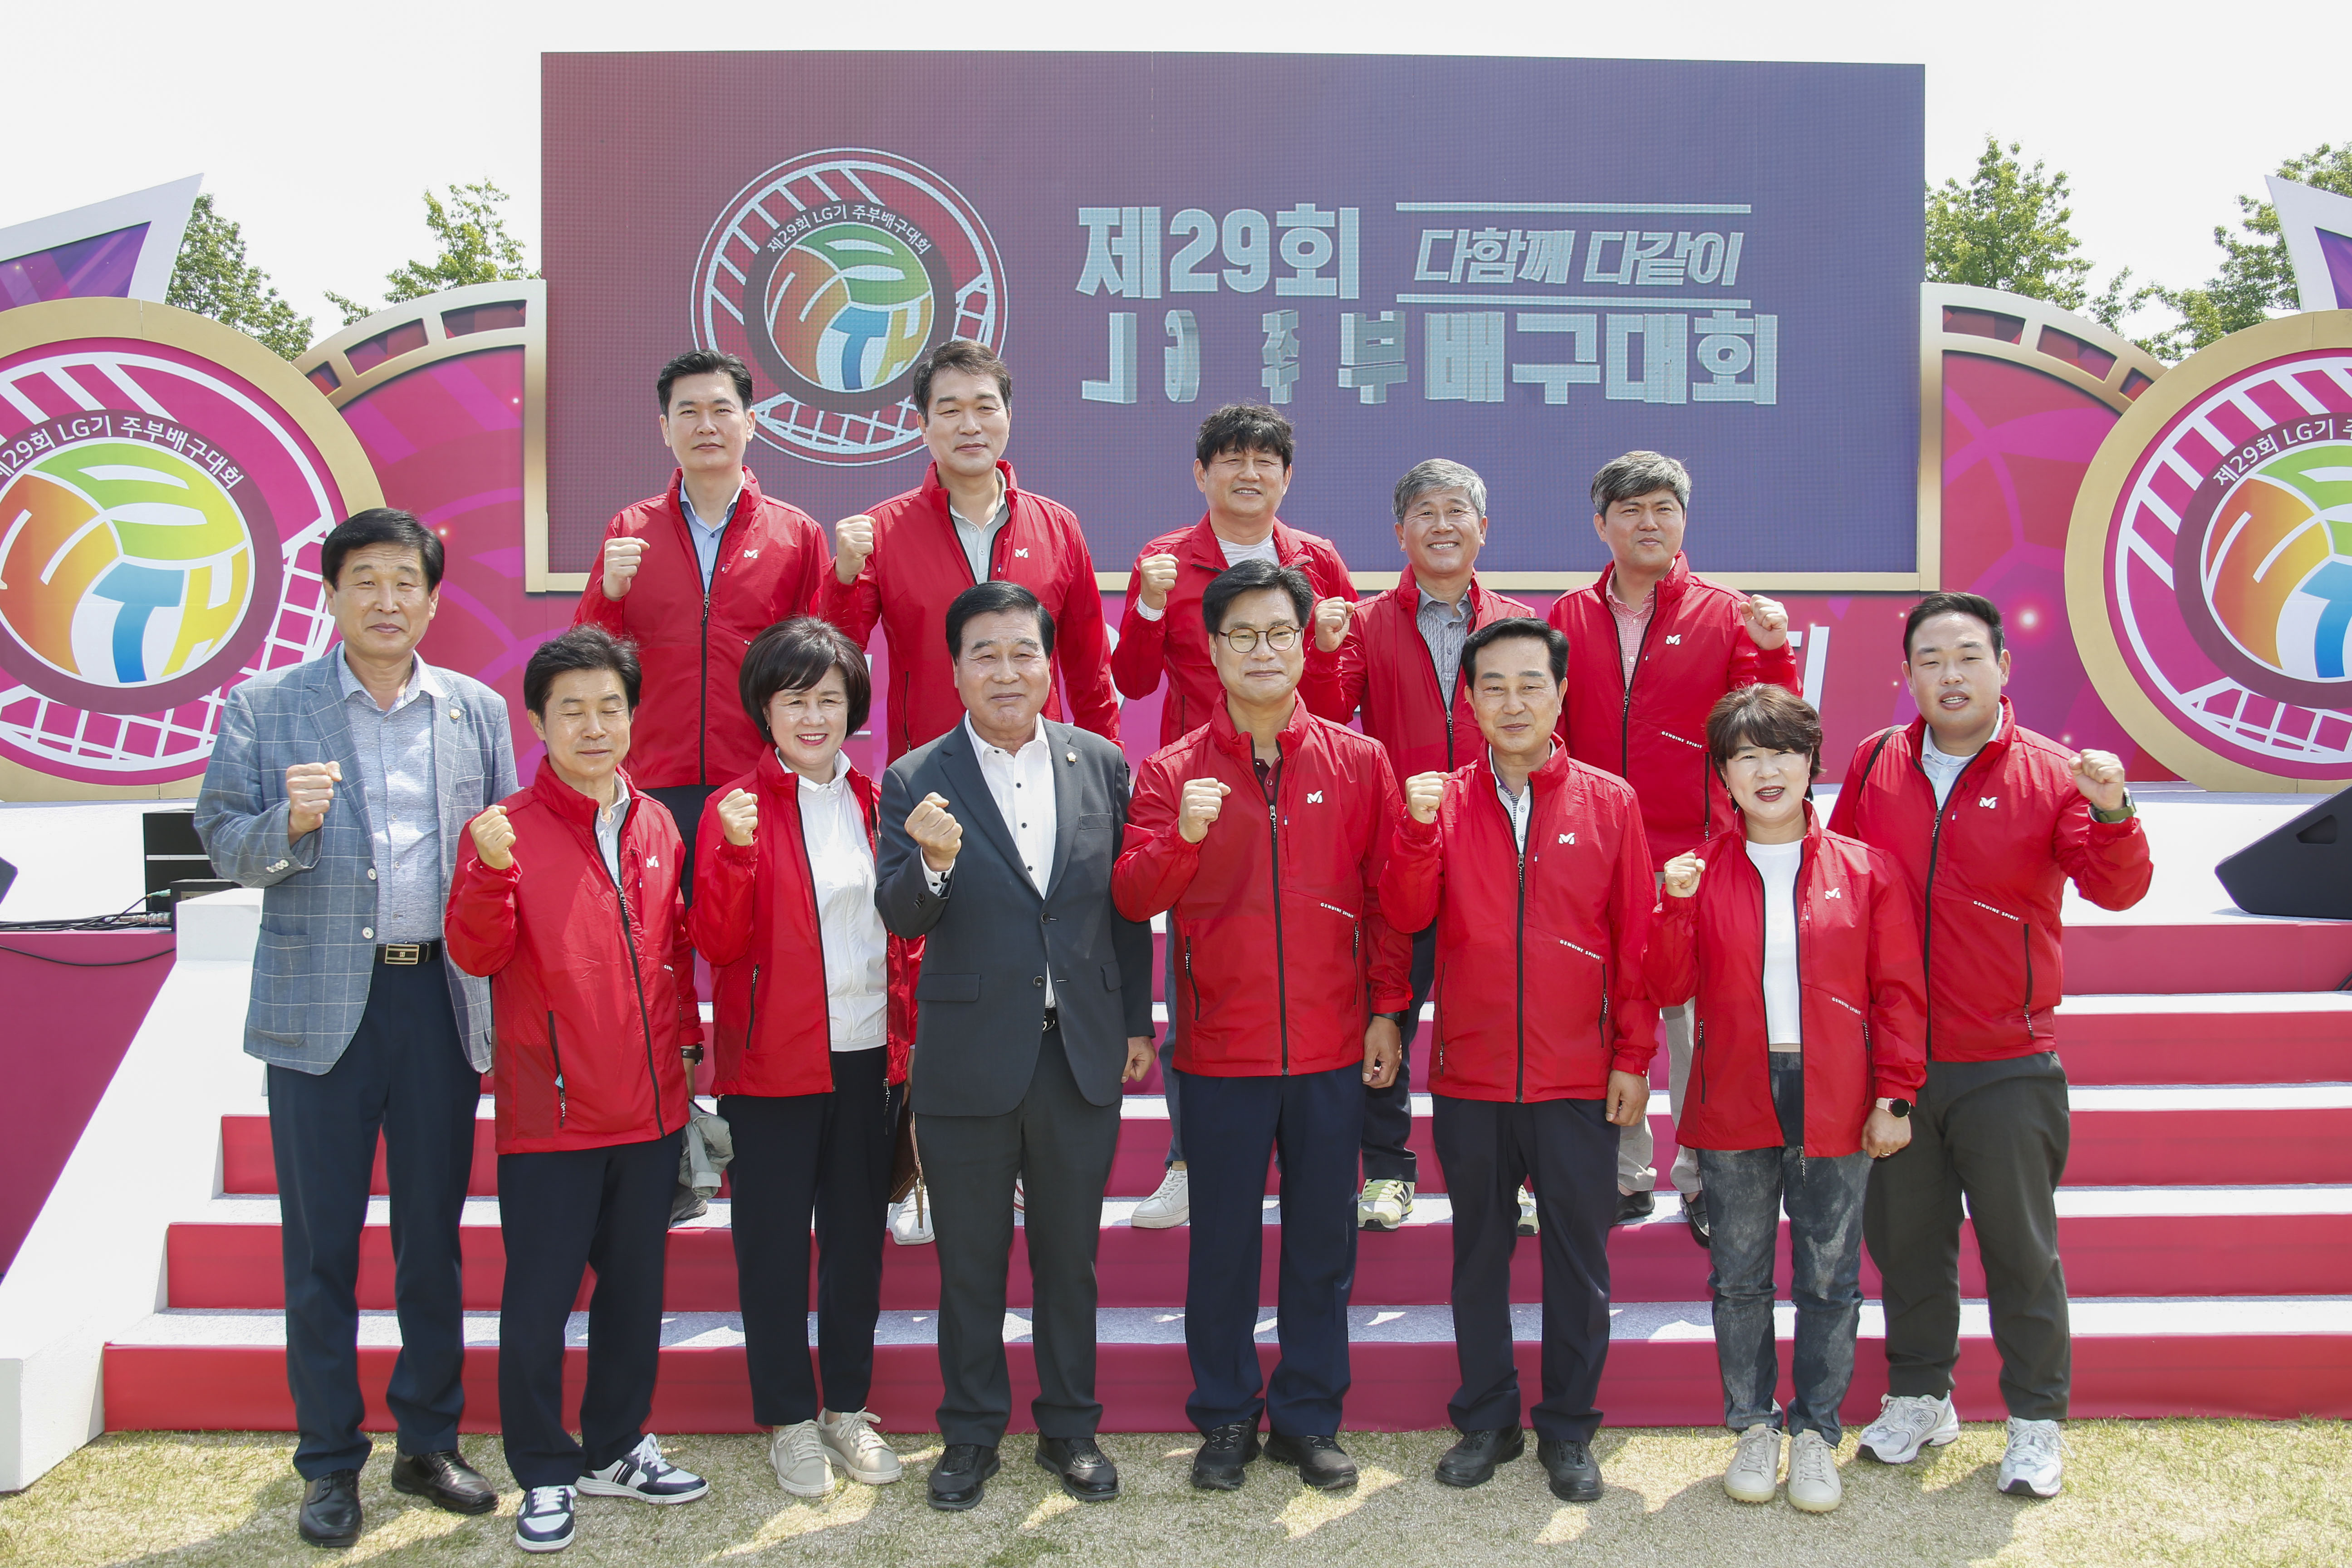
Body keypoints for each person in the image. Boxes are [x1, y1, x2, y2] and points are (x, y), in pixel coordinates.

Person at [194, 509, 516, 1548]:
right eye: (365, 580)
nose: (387, 599)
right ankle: (329, 1461)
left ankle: (428, 1440)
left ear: (432, 597)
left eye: (405, 581)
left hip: (438, 1003)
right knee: (320, 1250)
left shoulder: (473, 711)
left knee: (432, 1242)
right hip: (319, 1009)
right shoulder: (266, 706)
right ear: (331, 594)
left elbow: (506, 851)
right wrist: (286, 825)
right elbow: (221, 841)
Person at [1831, 592, 2151, 1499]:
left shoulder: (2052, 772)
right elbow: (1838, 879)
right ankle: (1920, 1396)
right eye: (1930, 659)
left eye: (1968, 656)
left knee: (2020, 1251)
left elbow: (2117, 889)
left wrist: (2114, 811)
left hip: (2006, 1059)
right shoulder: (1874, 762)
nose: (1950, 675)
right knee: (1906, 1244)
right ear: (1907, 675)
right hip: (1896, 1062)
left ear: (2003, 668)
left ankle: (2035, 1421)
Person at [1113, 559, 1412, 1494]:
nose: (1261, 650)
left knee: (1322, 1245)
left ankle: (1308, 1417)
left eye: (1279, 632)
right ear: (1212, 650)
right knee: (1223, 1248)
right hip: (1220, 1051)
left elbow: (1386, 901)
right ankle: (1226, 1415)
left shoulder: (1359, 761)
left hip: (1331, 1046)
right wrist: (1182, 837)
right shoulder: (1170, 771)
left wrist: (1387, 1009)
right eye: (1241, 634)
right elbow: (1132, 894)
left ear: (1304, 641)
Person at [873, 581, 1155, 1511]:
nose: (1006, 670)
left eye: (1022, 651)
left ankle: (1070, 1428)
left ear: (1048, 663)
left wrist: (1135, 1021)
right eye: (984, 654)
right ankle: (969, 1435)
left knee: (1069, 1259)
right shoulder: (915, 777)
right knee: (971, 1262)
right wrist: (934, 861)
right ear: (955, 670)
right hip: (968, 1058)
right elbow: (900, 914)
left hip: (1078, 1052)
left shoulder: (1100, 763)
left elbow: (1122, 907)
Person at [445, 627, 711, 1553]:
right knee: (539, 1305)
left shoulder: (657, 823)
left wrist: (686, 1053)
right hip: (551, 1114)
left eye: (610, 708)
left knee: (634, 1296)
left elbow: (672, 954)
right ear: (537, 722)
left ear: (633, 717)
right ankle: (544, 1470)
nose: (593, 727)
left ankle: (616, 1446)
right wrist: (487, 872)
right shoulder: (505, 829)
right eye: (572, 711)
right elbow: (475, 952)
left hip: (650, 1111)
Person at [1379, 617, 1655, 1503]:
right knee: (1479, 1254)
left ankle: (1568, 1429)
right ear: (1468, 698)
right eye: (1491, 685)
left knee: (1578, 1259)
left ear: (1562, 693)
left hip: (1577, 1075)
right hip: (1473, 1073)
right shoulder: (1441, 800)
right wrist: (1416, 830)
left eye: (1530, 683)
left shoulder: (1610, 802)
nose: (1512, 701)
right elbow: (1405, 913)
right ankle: (1487, 1418)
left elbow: (1636, 943)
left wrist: (1633, 1056)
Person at [1647, 684, 1927, 1514]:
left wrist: (1896, 1096)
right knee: (1738, 1276)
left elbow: (1898, 993)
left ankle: (1814, 1432)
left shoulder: (1867, 871)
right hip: (1733, 1089)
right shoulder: (1699, 872)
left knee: (1829, 1277)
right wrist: (1671, 908)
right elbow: (1667, 987)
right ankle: (1752, 1425)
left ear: (1811, 763)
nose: (1765, 771)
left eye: (1782, 752)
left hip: (1836, 1090)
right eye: (1745, 755)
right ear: (1723, 774)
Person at [1111, 404, 1358, 1230]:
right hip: (1202, 796)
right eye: (1231, 460)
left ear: (1287, 477)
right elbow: (1133, 681)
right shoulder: (1164, 560)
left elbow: (1338, 700)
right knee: (1197, 977)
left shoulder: (1318, 561)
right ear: (1201, 473)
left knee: (1304, 965)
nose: (1248, 474)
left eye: (1264, 461)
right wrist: (1149, 608)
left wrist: (1329, 649)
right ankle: (1189, 1161)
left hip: (1298, 790)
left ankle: (1307, 1161)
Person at [1546, 451, 1798, 1240]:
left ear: (1684, 520)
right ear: (1601, 524)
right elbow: (1549, 733)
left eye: (1663, 508)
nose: (1647, 522)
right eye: (1629, 509)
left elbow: (1769, 731)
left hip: (1695, 853)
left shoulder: (1726, 615)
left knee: (1694, 1024)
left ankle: (1698, 1176)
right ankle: (1622, 1175)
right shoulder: (1566, 617)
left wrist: (1772, 651)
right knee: (1605, 1012)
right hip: (1594, 851)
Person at [689, 618, 911, 1498]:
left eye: (829, 698)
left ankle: (845, 1409)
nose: (813, 716)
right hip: (770, 1067)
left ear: (852, 706)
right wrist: (737, 854)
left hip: (866, 1058)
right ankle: (788, 1418)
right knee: (773, 1247)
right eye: (795, 700)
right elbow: (715, 940)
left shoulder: (878, 801)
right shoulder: (733, 808)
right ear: (765, 710)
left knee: (856, 1245)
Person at [1305, 459, 1534, 1233]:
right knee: (1387, 1016)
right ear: (1399, 531)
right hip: (1394, 854)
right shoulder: (1365, 622)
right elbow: (1328, 726)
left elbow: (1544, 734)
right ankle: (1388, 1171)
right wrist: (1321, 652)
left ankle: (1513, 1178)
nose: (1442, 526)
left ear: (1483, 529)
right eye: (1424, 513)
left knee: (1500, 1018)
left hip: (1495, 855)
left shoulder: (1518, 625)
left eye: (1456, 511)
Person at [573, 347, 831, 889]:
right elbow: (588, 656)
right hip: (652, 779)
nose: (706, 426)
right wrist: (608, 593)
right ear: (665, 428)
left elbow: (822, 663)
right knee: (657, 929)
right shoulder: (629, 529)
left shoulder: (797, 535)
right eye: (688, 412)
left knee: (753, 927)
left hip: (757, 778)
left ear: (751, 422)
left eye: (721, 410)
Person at [820, 338, 1120, 760]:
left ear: (1009, 417)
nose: (970, 426)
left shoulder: (1058, 528)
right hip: (928, 768)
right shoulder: (883, 531)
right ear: (923, 424)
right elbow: (836, 657)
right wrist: (844, 579)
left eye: (985, 408)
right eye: (950, 411)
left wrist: (1108, 768)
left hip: (1037, 765)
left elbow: (1091, 671)